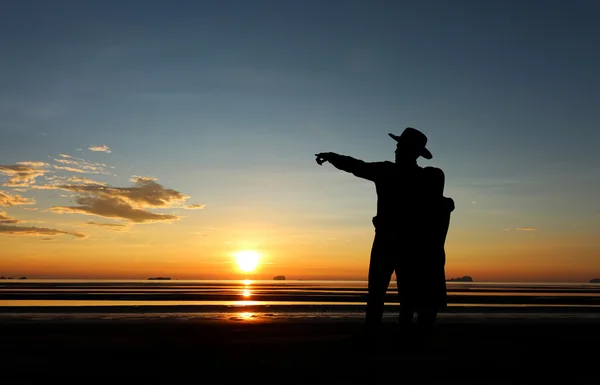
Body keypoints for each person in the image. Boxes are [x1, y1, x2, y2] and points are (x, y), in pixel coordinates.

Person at [315, 127, 455, 345]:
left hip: (394, 241)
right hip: (399, 241)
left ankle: (384, 334)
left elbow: (357, 166)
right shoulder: (421, 176)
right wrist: (334, 157)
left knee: (389, 291)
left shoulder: (398, 173)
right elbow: (356, 166)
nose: (397, 150)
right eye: (398, 146)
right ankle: (390, 333)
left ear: (413, 151)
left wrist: (333, 157)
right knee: (389, 291)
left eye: (401, 147)